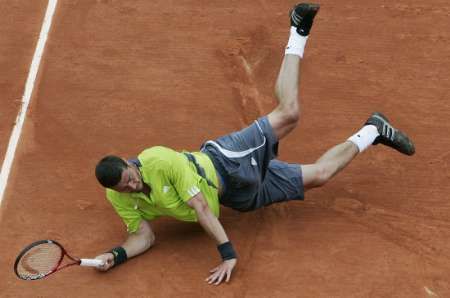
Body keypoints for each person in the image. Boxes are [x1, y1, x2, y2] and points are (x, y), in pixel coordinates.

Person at [93, 3, 414, 285]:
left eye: (130, 175)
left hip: (227, 159)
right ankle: (373, 131)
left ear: (128, 162)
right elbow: (144, 236)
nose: (133, 183)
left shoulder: (158, 160)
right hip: (239, 195)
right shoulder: (120, 198)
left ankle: (298, 30)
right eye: (126, 186)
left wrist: (227, 253)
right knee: (321, 175)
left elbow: (201, 208)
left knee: (289, 113)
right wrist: (116, 255)